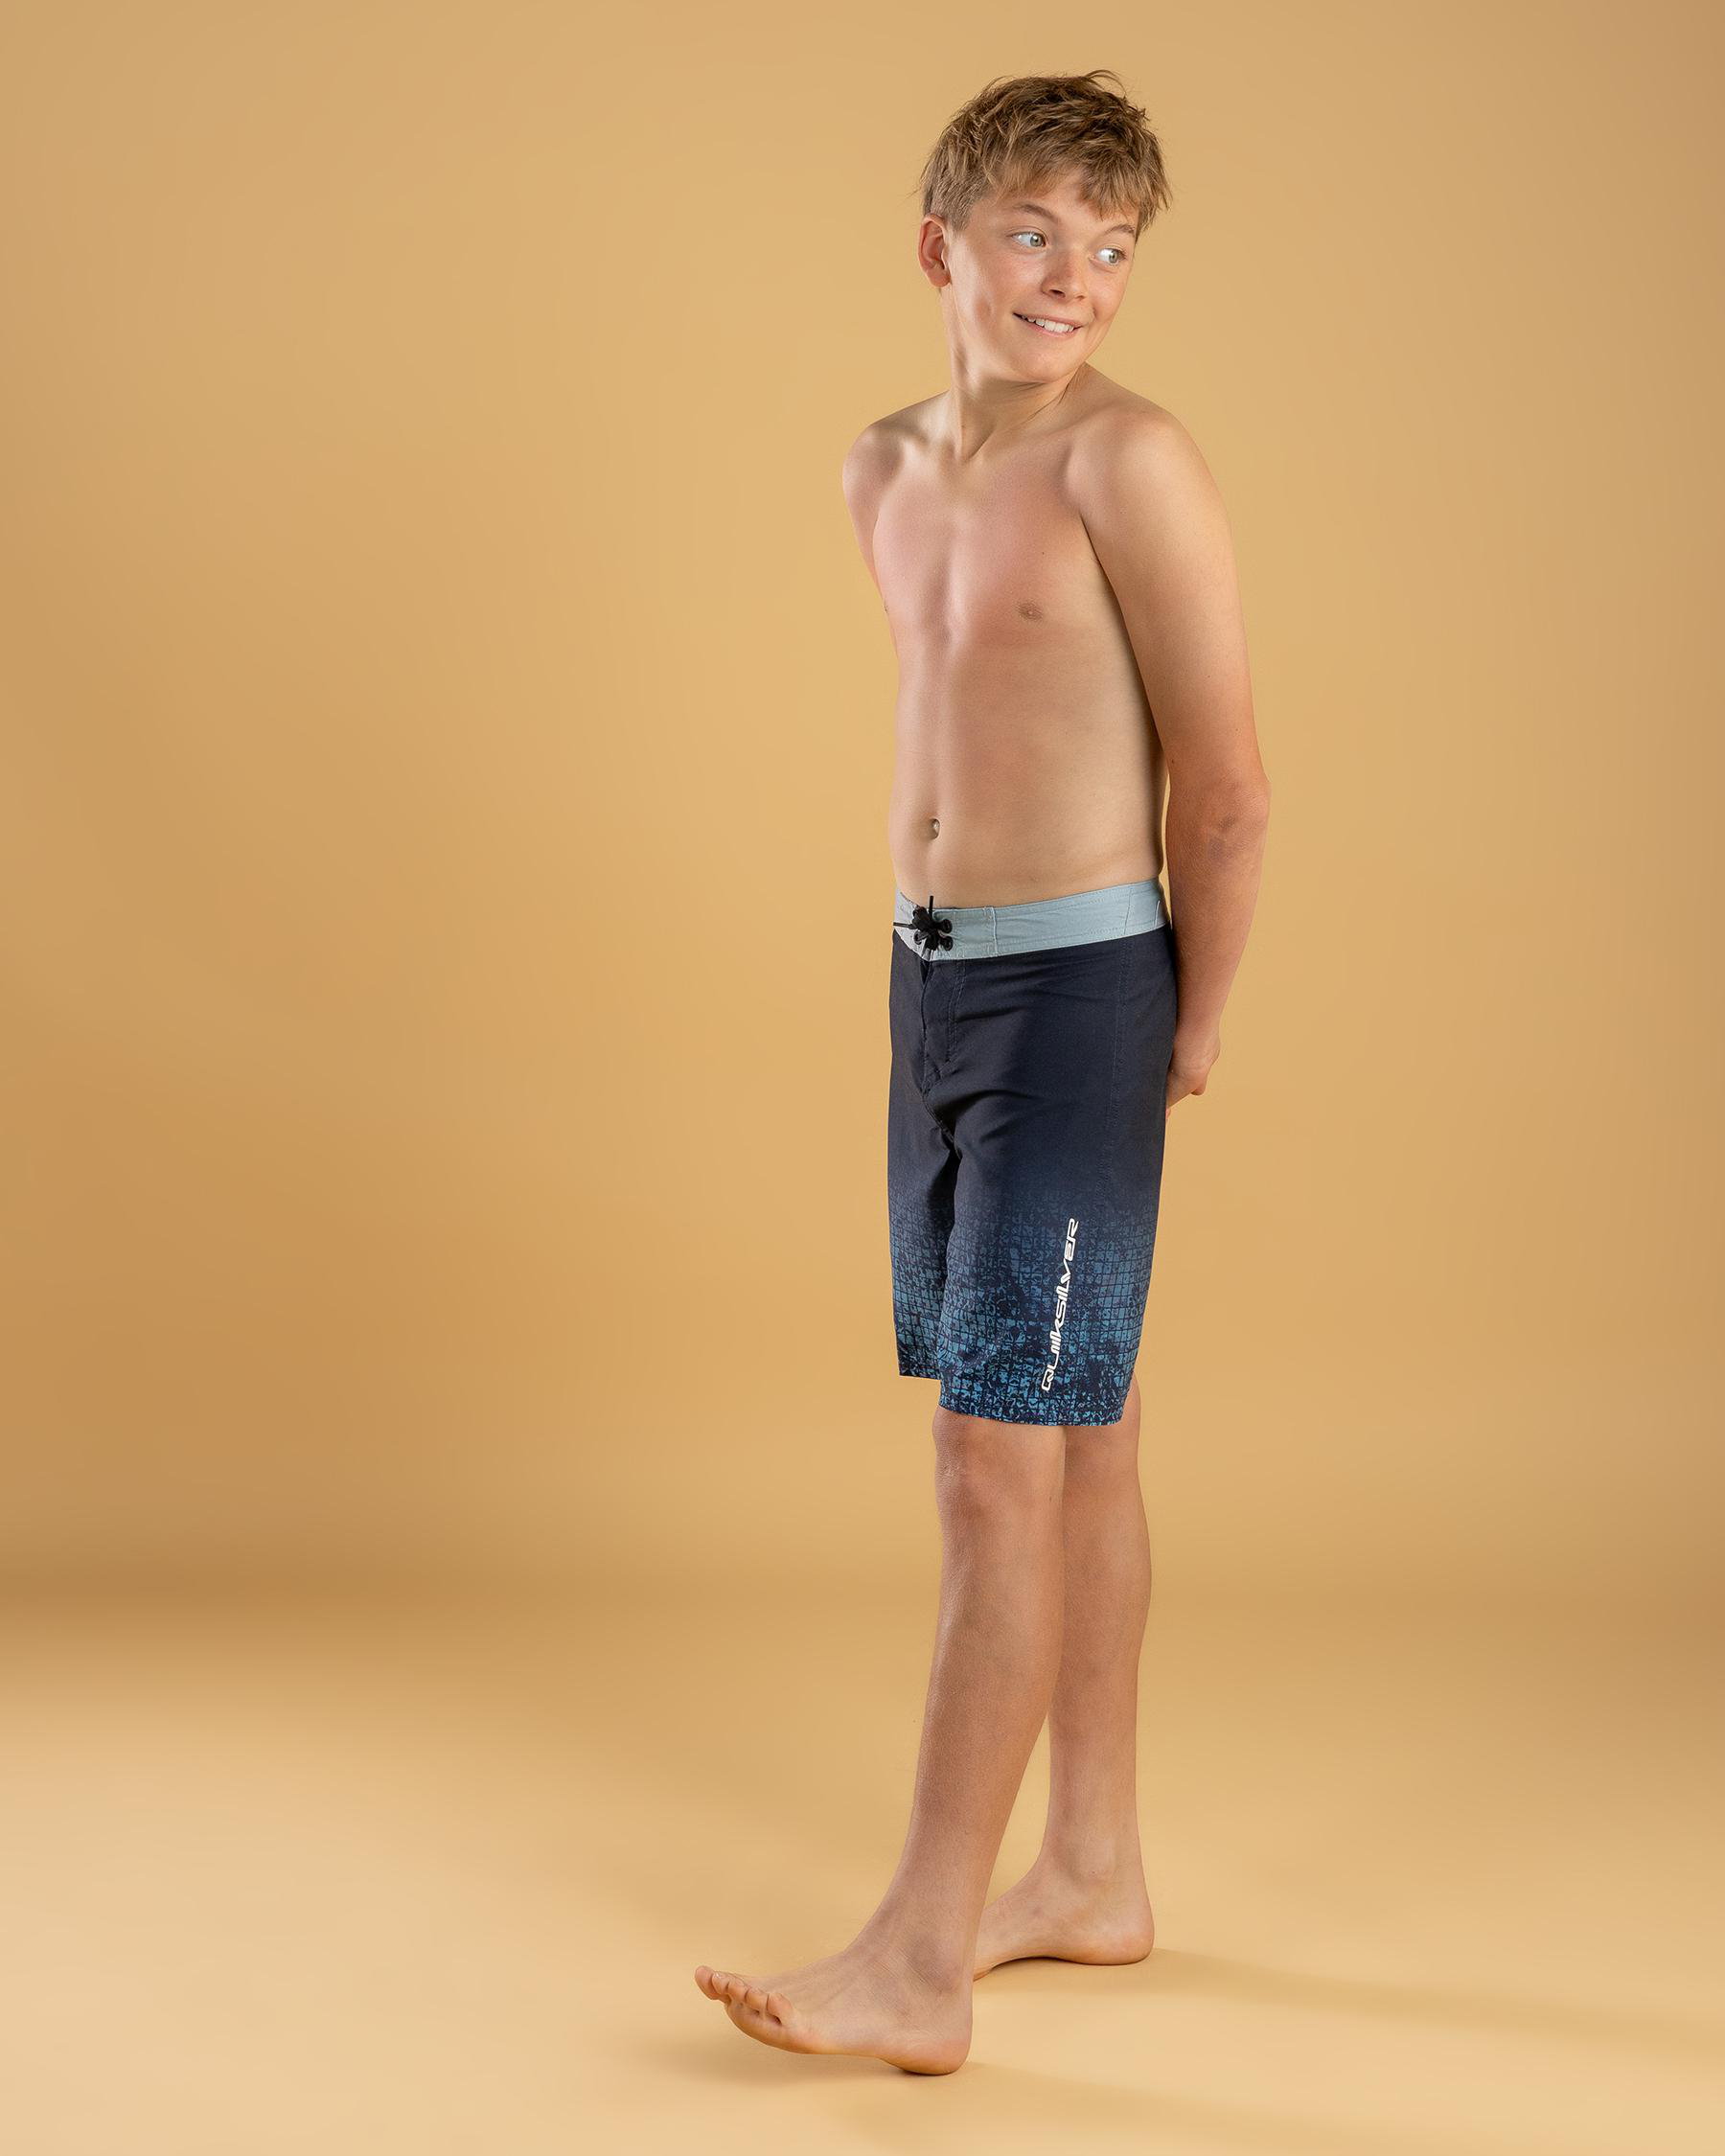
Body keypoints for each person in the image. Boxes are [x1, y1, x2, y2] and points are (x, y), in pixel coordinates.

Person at [695, 68, 1271, 2073]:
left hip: (1082, 1000)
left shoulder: (1135, 461)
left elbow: (1229, 782)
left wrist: (1193, 1017)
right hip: (932, 992)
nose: (1075, 278)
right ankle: (1090, 1867)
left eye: (1111, 248)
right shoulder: (881, 468)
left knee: (989, 1466)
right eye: (1037, 233)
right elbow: (967, 719)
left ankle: (920, 1955)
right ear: (940, 244)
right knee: (1076, 1434)